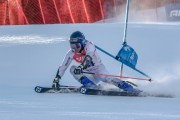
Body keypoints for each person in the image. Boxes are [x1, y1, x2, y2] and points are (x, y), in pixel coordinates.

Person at [52, 31, 134, 91]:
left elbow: (88, 58)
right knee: (72, 69)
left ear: (83, 43)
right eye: (72, 46)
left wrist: (81, 67)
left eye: (77, 46)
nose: (74, 48)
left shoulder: (89, 46)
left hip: (98, 69)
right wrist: (57, 79)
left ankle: (125, 86)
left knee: (106, 78)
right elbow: (63, 66)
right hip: (88, 73)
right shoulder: (71, 53)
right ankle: (89, 85)